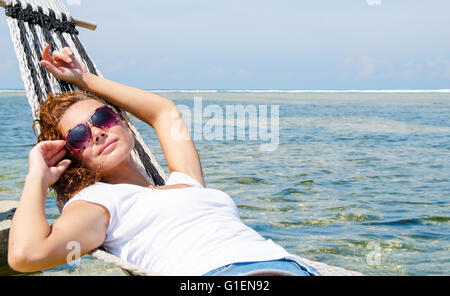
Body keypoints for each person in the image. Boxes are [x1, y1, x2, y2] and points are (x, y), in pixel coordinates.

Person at [8, 45, 320, 276]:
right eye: (78, 136)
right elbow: (26, 255)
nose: (97, 134)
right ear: (72, 156)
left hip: (290, 266)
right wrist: (37, 177)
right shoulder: (97, 202)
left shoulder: (185, 181)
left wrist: (84, 78)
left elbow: (164, 112)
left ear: (125, 122)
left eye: (102, 117)